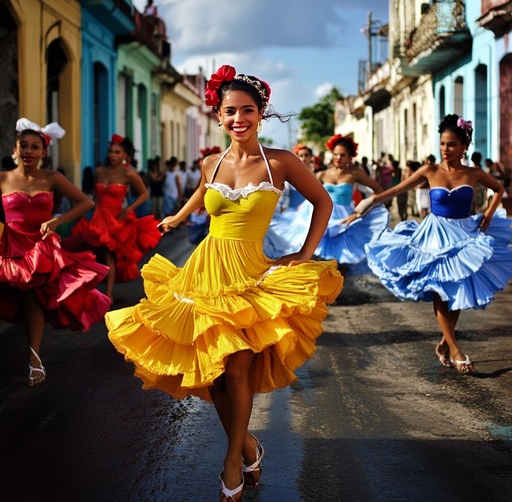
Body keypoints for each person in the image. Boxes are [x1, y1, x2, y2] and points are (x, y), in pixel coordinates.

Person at [105, 64, 343, 502]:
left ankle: (232, 459)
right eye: (230, 111)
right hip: (204, 271)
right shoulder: (211, 162)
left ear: (261, 112)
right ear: (218, 115)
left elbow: (323, 202)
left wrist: (305, 254)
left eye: (247, 110)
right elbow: (204, 191)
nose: (239, 119)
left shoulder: (280, 163)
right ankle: (249, 443)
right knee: (213, 374)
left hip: (250, 273)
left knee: (237, 370)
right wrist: (179, 215)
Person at [350, 114, 512, 373]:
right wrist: (362, 209)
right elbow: (394, 191)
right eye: (442, 144)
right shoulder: (430, 170)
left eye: (451, 144)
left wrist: (489, 214)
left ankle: (445, 343)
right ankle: (455, 349)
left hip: (464, 234)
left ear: (463, 146)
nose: (445, 149)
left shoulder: (474, 173)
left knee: (457, 291)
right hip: (434, 236)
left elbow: (499, 190)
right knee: (439, 291)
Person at [0, 118, 110, 386]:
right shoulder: (2, 178)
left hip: (40, 248)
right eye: (23, 146)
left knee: (33, 300)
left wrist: (56, 221)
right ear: (14, 149)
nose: (28, 151)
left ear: (43, 151)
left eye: (34, 147)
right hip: (8, 245)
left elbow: (86, 202)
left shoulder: (52, 178)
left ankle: (34, 358)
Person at [64, 134, 161, 303]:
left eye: (117, 152)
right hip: (98, 217)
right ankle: (90, 290)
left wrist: (128, 209)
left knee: (110, 255)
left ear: (125, 155)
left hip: (117, 218)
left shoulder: (129, 174)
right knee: (90, 254)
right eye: (111, 152)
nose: (113, 155)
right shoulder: (100, 171)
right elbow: (95, 195)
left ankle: (108, 294)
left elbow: (144, 194)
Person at [273, 134, 389, 276]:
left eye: (342, 155)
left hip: (343, 219)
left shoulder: (355, 174)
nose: (338, 158)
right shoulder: (322, 174)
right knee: (315, 255)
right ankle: (322, 291)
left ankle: (337, 290)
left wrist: (362, 211)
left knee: (342, 259)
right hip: (322, 215)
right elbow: (309, 192)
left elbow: (378, 191)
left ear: (349, 157)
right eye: (335, 154)